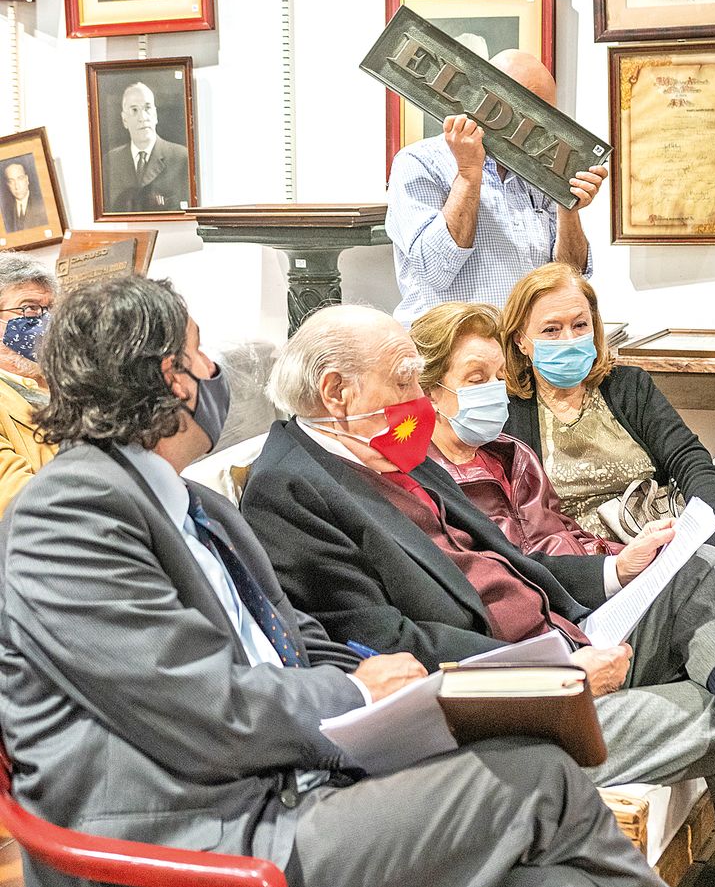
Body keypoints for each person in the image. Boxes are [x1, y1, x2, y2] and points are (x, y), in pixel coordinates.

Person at [0, 274, 661, 887]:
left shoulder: (197, 503)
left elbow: (296, 637)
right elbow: (200, 704)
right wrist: (350, 689)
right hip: (199, 834)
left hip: (286, 781)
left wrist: (406, 690)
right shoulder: (66, 515)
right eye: (200, 355)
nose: (213, 373)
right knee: (543, 777)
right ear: (170, 379)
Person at [242, 303, 715, 882]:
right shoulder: (290, 491)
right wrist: (554, 670)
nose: (419, 399)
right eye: (404, 381)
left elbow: (513, 560)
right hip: (518, 696)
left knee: (703, 568)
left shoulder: (389, 445)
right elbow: (389, 645)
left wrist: (613, 575)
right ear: (336, 392)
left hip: (571, 633)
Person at [499, 262, 715, 645]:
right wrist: (613, 569)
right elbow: (516, 532)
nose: (569, 339)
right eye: (552, 330)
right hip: (598, 574)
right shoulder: (506, 413)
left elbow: (692, 462)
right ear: (521, 339)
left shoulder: (627, 386)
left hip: (669, 544)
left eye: (580, 325)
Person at [385, 49, 608, 327]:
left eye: (547, 113)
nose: (539, 127)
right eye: (528, 110)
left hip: (521, 352)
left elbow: (568, 277)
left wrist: (567, 206)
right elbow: (434, 270)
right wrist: (468, 174)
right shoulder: (419, 161)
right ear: (486, 98)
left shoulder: (540, 170)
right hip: (451, 357)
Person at [410, 300, 623, 560]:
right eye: (477, 379)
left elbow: (564, 537)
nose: (494, 389)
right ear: (429, 391)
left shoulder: (515, 456)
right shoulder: (420, 484)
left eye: (499, 377)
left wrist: (621, 556)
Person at [0, 253, 56, 511]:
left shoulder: (69, 378)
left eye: (49, 310)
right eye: (29, 308)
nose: (44, 321)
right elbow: (15, 495)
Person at [102, 82, 189, 214]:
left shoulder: (182, 157)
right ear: (124, 120)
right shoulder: (111, 160)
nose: (143, 118)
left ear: (155, 114)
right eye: (134, 110)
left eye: (147, 108)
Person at [1, 159, 46, 233]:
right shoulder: (4, 212)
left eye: (20, 179)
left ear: (27, 179)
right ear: (7, 185)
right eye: (11, 181)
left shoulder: (43, 204)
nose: (17, 186)